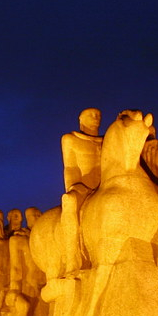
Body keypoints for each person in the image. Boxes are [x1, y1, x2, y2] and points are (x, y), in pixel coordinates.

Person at [59, 108, 103, 274]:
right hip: (82, 186)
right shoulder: (70, 139)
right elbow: (70, 167)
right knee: (69, 201)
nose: (96, 117)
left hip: (106, 184)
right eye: (91, 115)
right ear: (81, 119)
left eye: (98, 115)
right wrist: (73, 187)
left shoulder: (107, 140)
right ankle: (72, 256)